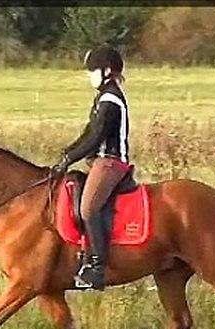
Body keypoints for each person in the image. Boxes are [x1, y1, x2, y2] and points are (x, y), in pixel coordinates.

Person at [52, 44, 131, 291]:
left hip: (110, 161)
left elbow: (96, 138)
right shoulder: (102, 97)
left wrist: (71, 158)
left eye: (93, 71)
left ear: (107, 71)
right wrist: (68, 153)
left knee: (88, 207)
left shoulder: (110, 99)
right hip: (98, 161)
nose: (90, 76)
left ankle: (97, 266)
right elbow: (88, 133)